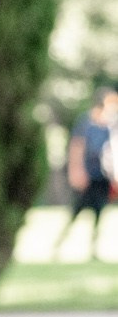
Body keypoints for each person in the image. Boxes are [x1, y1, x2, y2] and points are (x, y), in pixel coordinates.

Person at [54, 84, 118, 259]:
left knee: (99, 213)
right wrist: (76, 172)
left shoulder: (109, 126)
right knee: (76, 212)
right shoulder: (86, 123)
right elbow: (77, 147)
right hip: (86, 176)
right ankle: (58, 245)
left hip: (101, 177)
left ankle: (93, 249)